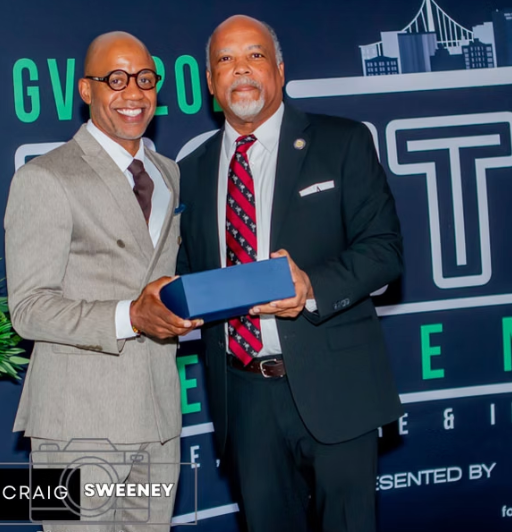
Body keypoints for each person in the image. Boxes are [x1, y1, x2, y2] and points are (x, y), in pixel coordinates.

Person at [177, 15, 403, 532]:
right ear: (210, 82)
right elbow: (188, 276)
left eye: (254, 55)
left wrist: (311, 286)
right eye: (225, 60)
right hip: (244, 399)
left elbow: (385, 250)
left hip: (337, 388)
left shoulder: (342, 142)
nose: (241, 69)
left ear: (280, 70)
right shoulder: (189, 171)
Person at [4, 31, 201, 531]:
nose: (133, 92)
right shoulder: (44, 177)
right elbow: (28, 309)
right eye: (115, 79)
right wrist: (130, 316)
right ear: (85, 89)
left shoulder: (168, 174)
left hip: (159, 420)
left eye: (144, 79)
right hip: (74, 426)